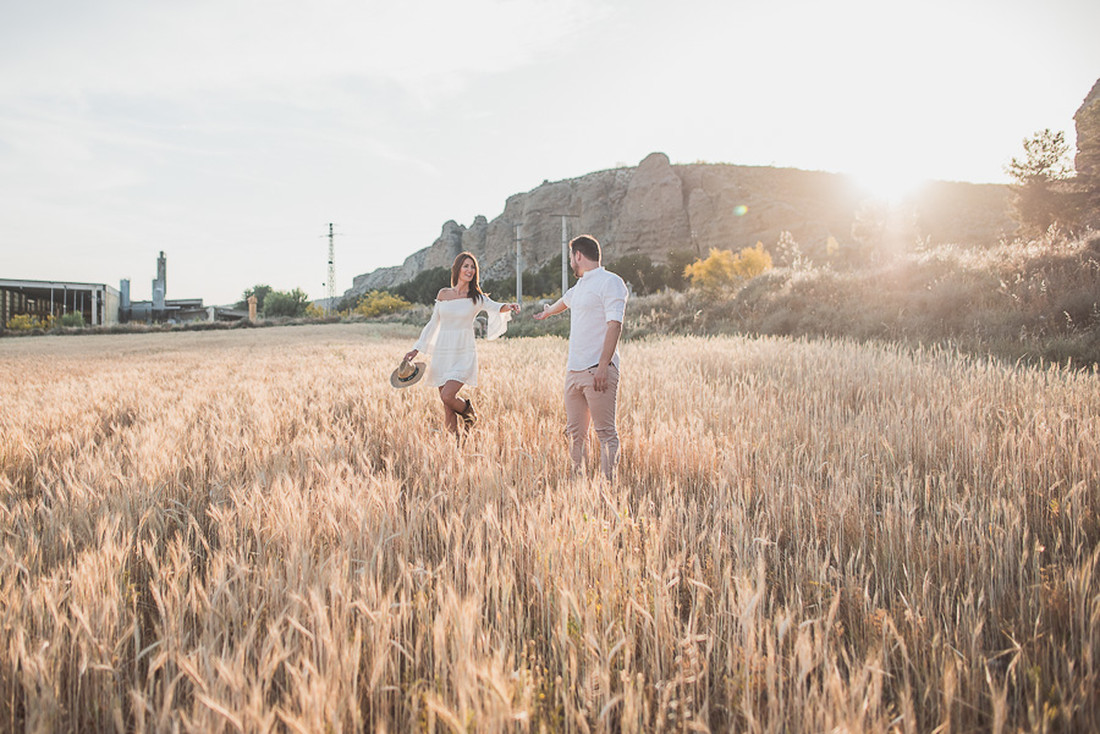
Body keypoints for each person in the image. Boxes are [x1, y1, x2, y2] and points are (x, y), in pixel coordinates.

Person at [533, 235, 628, 481]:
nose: (571, 264)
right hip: (573, 373)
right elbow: (563, 302)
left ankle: (608, 489)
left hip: (597, 370)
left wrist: (603, 366)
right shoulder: (580, 287)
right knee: (575, 434)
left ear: (578, 255)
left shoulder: (611, 282)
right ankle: (579, 488)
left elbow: (614, 325)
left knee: (606, 433)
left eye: (570, 258)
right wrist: (546, 313)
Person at [404, 252, 520, 434]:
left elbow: (496, 306)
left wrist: (510, 306)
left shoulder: (476, 297)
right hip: (442, 352)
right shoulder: (443, 294)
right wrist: (415, 349)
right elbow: (433, 323)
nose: (470, 270)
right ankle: (456, 448)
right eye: (466, 266)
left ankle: (469, 413)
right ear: (457, 269)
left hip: (463, 352)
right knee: (447, 407)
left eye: (473, 267)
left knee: (447, 395)